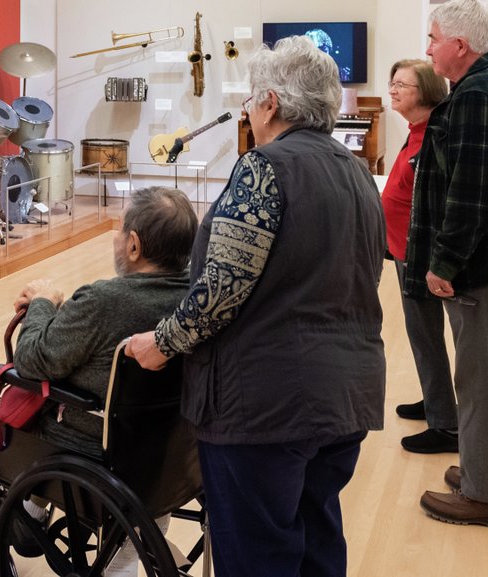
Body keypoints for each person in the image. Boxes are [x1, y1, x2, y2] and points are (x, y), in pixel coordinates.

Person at [128, 37, 386, 577]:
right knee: (318, 541)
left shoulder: (263, 168)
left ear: (269, 102)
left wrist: (162, 342)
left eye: (250, 99)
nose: (246, 109)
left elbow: (222, 287)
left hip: (266, 405)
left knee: (258, 555)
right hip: (345, 395)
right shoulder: (357, 171)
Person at [0, 187, 196, 566]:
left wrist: (42, 302)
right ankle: (28, 516)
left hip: (91, 451)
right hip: (169, 451)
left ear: (133, 245)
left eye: (119, 232)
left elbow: (33, 360)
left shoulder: (104, 300)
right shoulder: (196, 305)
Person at [409, 0, 488, 529]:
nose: (428, 47)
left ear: (459, 45)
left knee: (483, 376)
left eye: (434, 37)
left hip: (479, 265)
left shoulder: (479, 95)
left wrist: (444, 262)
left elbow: (470, 192)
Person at [382, 60, 457, 454]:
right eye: (391, 83)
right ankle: (437, 400)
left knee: (425, 336)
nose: (392, 90)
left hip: (420, 253)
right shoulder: (416, 132)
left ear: (425, 91)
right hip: (402, 249)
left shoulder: (433, 137)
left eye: (400, 84)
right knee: (421, 335)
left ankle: (446, 424)